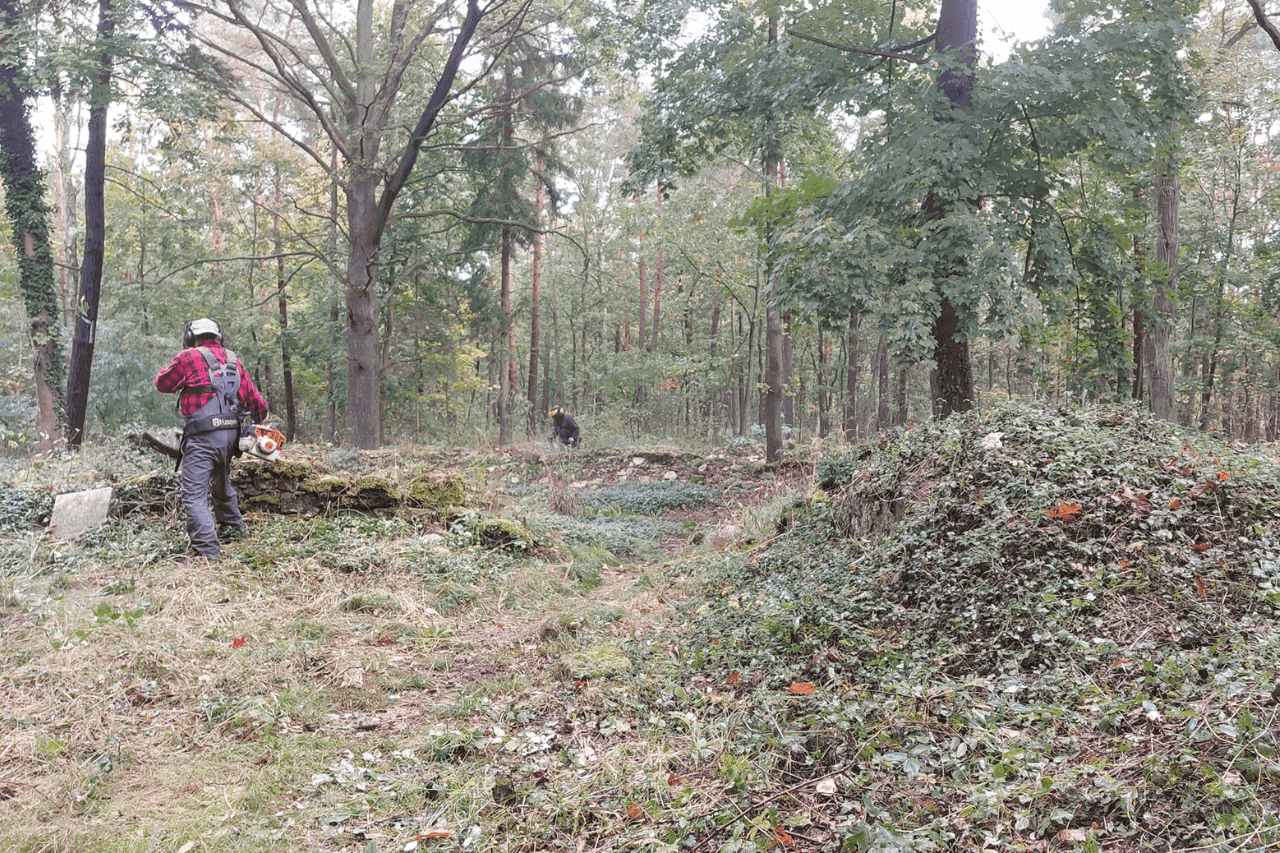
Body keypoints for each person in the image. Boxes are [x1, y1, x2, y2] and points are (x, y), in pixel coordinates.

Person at [155, 318, 269, 560]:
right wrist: (259, 423)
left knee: (194, 495)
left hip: (203, 437)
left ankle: (208, 554)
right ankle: (234, 531)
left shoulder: (188, 357)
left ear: (190, 337)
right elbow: (257, 403)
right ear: (219, 336)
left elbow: (163, 384)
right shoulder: (233, 360)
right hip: (230, 438)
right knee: (220, 483)